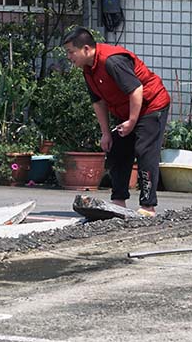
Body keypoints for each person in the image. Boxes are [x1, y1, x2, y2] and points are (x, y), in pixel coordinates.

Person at [62, 26, 170, 216]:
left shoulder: (112, 61)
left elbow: (136, 89)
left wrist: (132, 121)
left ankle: (148, 206)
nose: (69, 57)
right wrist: (105, 133)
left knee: (144, 151)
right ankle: (118, 202)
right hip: (126, 110)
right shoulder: (88, 69)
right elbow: (98, 101)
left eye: (71, 52)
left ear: (86, 49)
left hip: (150, 105)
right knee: (117, 149)